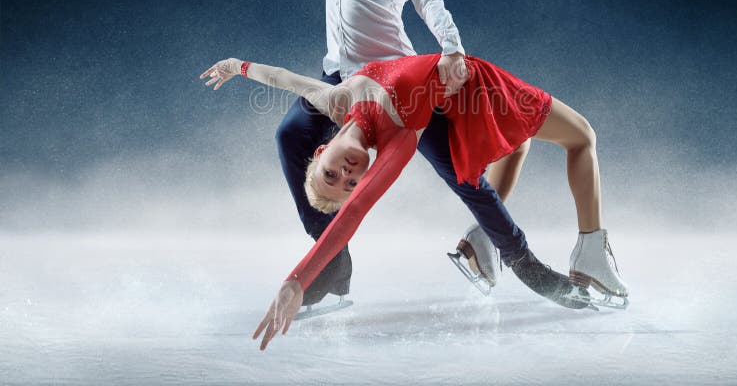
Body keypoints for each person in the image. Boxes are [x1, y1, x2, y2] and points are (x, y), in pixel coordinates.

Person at [199, 52, 629, 351]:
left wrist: (237, 67)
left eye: (332, 173)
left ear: (318, 153)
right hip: (479, 87)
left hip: (461, 90)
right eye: (350, 182)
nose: (348, 173)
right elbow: (349, 219)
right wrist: (297, 280)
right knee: (583, 136)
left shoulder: (334, 100)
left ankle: (482, 243)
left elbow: (282, 78)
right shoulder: (398, 142)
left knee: (517, 146)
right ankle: (588, 253)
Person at [276, 0, 537, 303]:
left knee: (460, 173)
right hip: (340, 78)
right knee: (290, 134)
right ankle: (331, 261)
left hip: (396, 86)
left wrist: (452, 48)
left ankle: (521, 257)